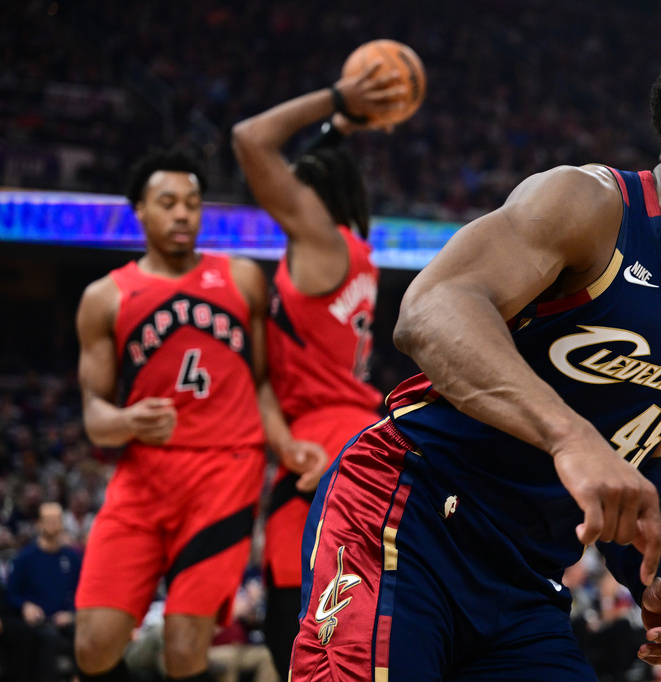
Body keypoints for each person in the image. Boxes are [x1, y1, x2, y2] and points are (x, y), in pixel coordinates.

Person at [290, 29, 661, 680]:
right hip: (405, 514)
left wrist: (654, 579)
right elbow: (429, 309)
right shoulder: (587, 204)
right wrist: (569, 435)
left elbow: (639, 457)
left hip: (525, 579)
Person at [73, 148, 292, 682]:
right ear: (140, 212)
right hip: (144, 475)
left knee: (184, 644)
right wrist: (127, 421)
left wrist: (285, 445)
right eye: (167, 203)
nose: (182, 215)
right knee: (93, 646)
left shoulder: (242, 279)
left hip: (226, 472)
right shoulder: (105, 298)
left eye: (192, 204)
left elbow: (262, 382)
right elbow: (95, 416)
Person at [231, 63, 405, 679]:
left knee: (295, 607)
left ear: (311, 197)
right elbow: (312, 164)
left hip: (322, 437)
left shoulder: (319, 242)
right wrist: (337, 127)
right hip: (354, 430)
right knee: (343, 603)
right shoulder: (348, 251)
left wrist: (337, 96)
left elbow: (250, 138)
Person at [4, 501, 81, 681]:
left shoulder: (72, 558)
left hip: (65, 619)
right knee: (49, 638)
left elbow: (81, 593)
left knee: (86, 633)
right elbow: (11, 594)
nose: (53, 524)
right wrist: (25, 606)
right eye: (48, 520)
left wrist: (71, 614)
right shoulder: (25, 558)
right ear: (38, 523)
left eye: (57, 519)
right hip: (39, 621)